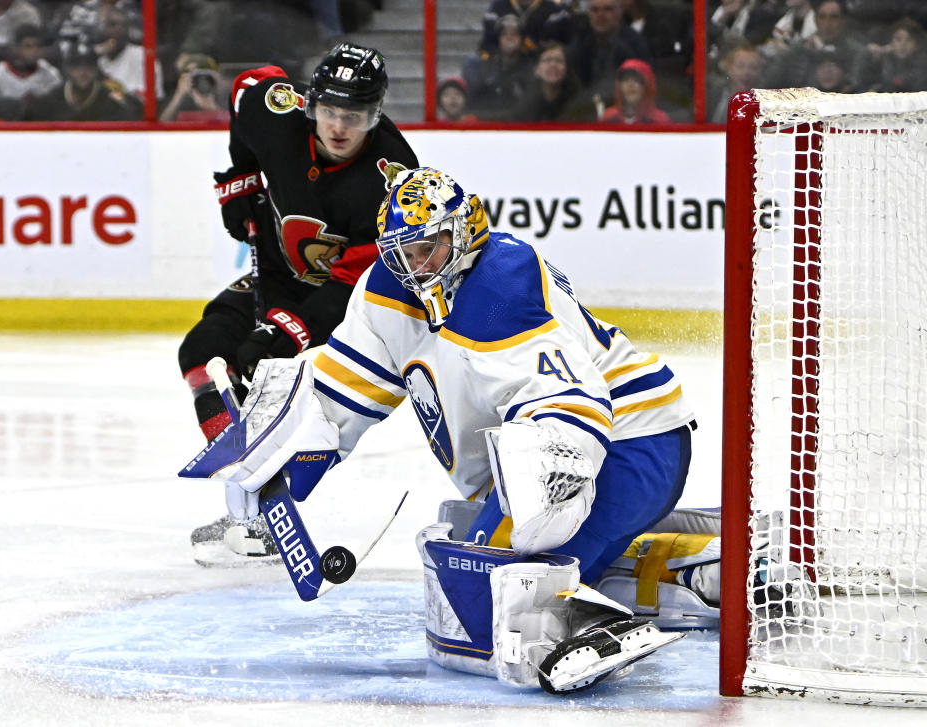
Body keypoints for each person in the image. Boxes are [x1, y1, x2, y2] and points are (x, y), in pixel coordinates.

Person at [194, 166, 696, 692]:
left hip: (631, 444)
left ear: (463, 231)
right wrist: (277, 454)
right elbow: (343, 388)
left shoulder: (502, 285)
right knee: (473, 591)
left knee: (487, 616)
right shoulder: (388, 289)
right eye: (401, 252)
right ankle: (649, 569)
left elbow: (573, 406)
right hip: (572, 452)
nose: (415, 266)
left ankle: (676, 575)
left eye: (428, 247)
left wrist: (540, 493)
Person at [179, 42, 418, 563]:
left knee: (285, 384)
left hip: (350, 306)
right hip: (277, 276)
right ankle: (245, 497)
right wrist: (240, 178)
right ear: (310, 105)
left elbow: (359, 283)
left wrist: (286, 330)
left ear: (375, 115)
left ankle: (265, 498)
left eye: (354, 116)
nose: (338, 126)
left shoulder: (393, 178)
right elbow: (247, 86)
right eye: (329, 111)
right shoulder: (279, 115)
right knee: (203, 353)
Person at [565, 0, 652, 102]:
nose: (600, 15)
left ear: (620, 12)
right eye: (595, 10)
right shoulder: (580, 41)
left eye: (608, 9)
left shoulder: (635, 45)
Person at [29, 43, 142, 121]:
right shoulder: (52, 98)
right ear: (67, 69)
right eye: (76, 66)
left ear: (96, 69)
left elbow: (132, 110)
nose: (83, 72)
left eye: (88, 66)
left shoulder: (110, 97)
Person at [462, 13, 535, 121]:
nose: (510, 38)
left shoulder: (531, 68)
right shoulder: (484, 66)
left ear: (521, 40)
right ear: (498, 39)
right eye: (505, 34)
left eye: (515, 34)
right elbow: (475, 103)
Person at [513, 40, 597, 122]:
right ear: (536, 69)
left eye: (559, 61)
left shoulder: (580, 105)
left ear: (566, 69)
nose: (553, 65)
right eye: (547, 60)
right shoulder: (523, 103)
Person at [0, 23, 61, 113]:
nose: (34, 51)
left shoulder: (50, 74)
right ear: (16, 48)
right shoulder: (0, 73)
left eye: (37, 46)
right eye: (28, 46)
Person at [94, 7, 162, 104]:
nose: (118, 30)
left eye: (123, 26)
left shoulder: (143, 57)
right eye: (112, 25)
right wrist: (94, 56)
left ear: (128, 30)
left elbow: (145, 102)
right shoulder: (96, 57)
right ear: (103, 28)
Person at [599, 58, 670, 124]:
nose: (631, 85)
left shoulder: (659, 121)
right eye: (626, 80)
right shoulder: (608, 118)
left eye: (636, 80)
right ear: (618, 86)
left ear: (647, 86)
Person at [158, 52, 226, 122]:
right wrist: (178, 96)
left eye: (203, 74)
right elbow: (161, 125)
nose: (199, 80)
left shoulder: (223, 96)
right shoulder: (177, 97)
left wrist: (213, 108)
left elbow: (232, 125)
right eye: (191, 74)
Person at [706, 42, 764, 123]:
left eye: (753, 67)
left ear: (760, 72)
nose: (746, 72)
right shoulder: (713, 96)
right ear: (729, 69)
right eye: (740, 66)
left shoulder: (766, 101)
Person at [868, 16, 927, 93]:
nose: (903, 44)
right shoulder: (885, 59)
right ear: (891, 41)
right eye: (898, 39)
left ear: (917, 44)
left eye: (909, 40)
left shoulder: (922, 63)